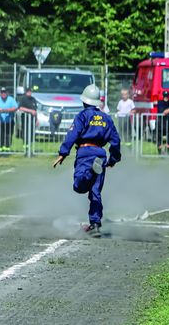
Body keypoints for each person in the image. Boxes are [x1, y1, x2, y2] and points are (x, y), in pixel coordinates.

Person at [53, 84, 121, 236]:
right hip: (100, 155)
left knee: (79, 186)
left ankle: (90, 171)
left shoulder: (82, 116)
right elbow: (116, 141)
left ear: (84, 102)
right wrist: (113, 159)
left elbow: (73, 134)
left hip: (85, 152)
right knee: (95, 192)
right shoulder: (106, 118)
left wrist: (63, 152)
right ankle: (95, 224)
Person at [0, 87, 18, 152]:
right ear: (0, 93)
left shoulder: (11, 99)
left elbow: (15, 107)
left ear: (7, 93)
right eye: (2, 92)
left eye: (5, 92)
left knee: (8, 136)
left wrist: (7, 110)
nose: (3, 93)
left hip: (9, 122)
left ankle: (7, 150)